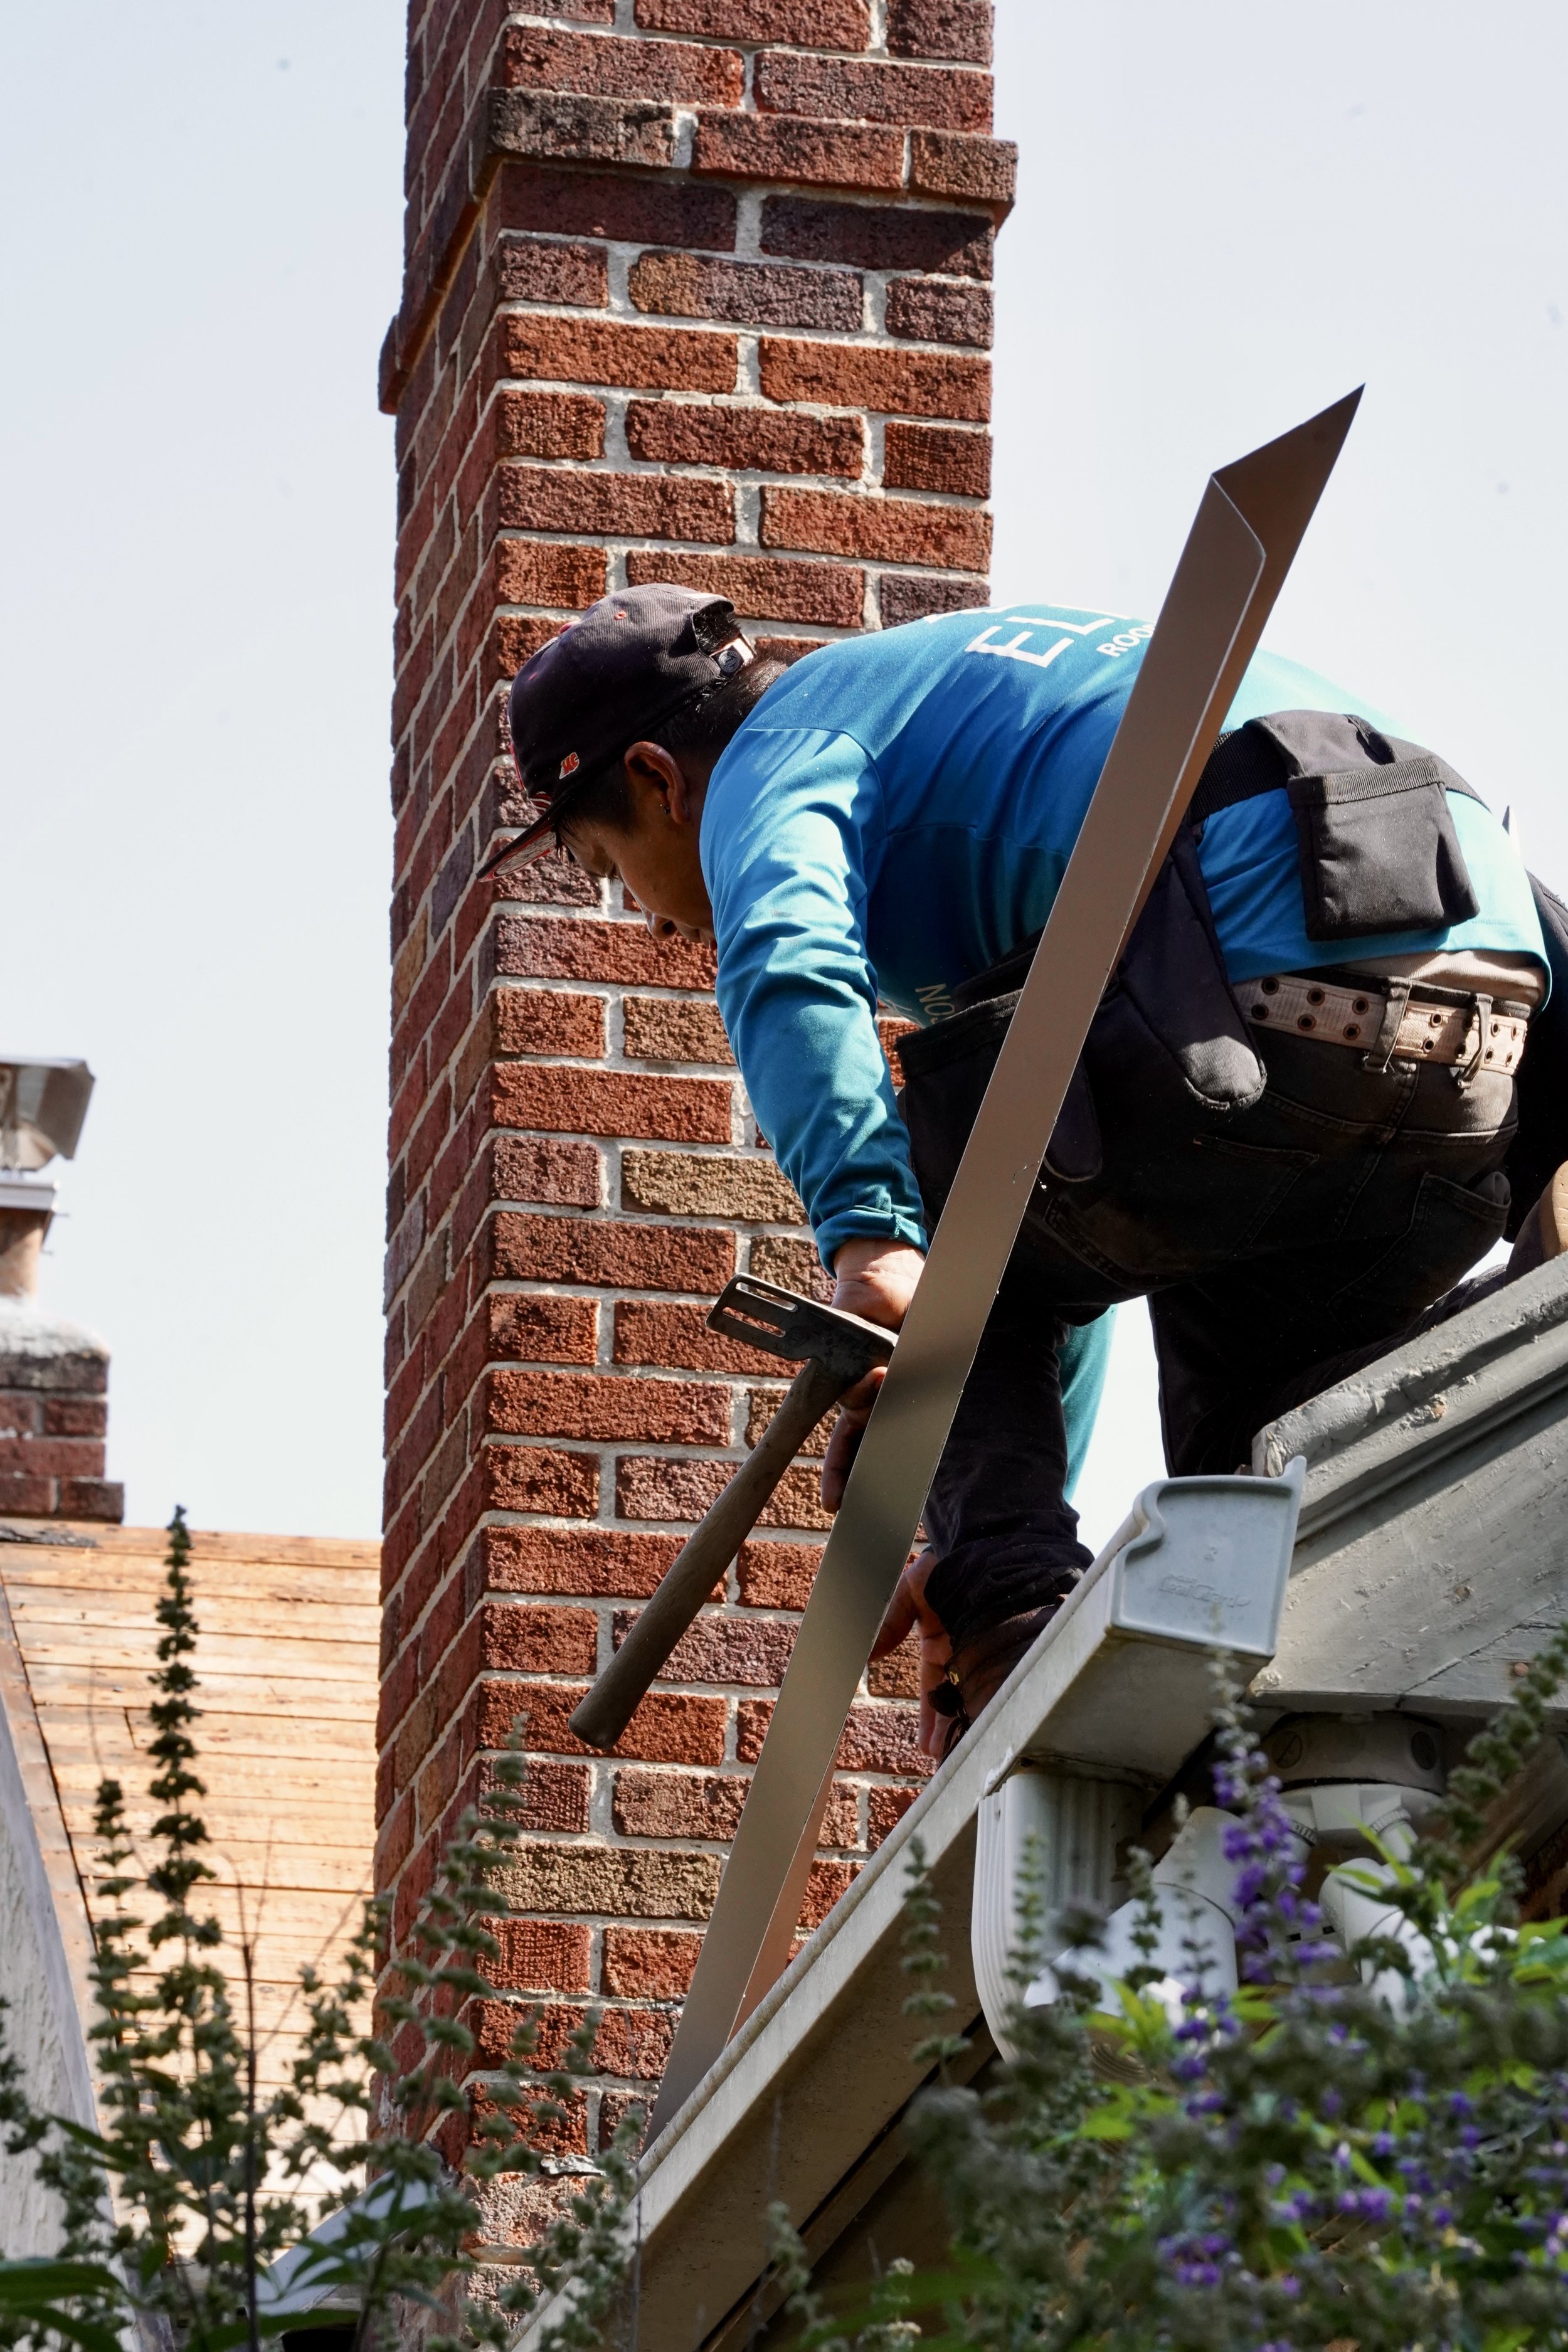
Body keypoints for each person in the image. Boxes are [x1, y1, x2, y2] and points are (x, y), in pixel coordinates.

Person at [488, 584, 1564, 1756]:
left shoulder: (778, 750)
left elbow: (788, 962)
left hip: (1270, 970)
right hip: (1481, 1044)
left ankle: (1011, 1643)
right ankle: (1537, 1334)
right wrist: (987, 1519)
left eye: (606, 863)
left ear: (656, 776)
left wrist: (871, 1242)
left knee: (935, 1191)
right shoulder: (965, 713)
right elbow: (1055, 1234)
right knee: (1259, 1462)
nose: (647, 925)